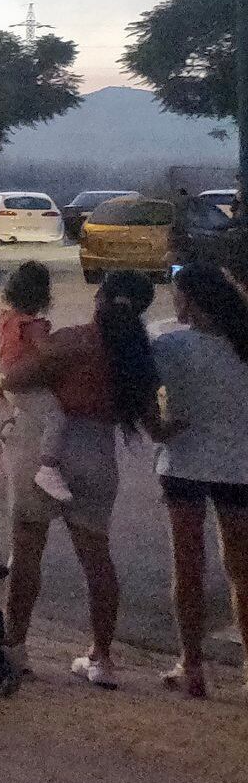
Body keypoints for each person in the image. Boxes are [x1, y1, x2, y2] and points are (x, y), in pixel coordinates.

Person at [0, 270, 166, 687]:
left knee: (26, 554)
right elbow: (153, 423)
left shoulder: (73, 340)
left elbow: (18, 377)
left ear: (99, 297)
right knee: (96, 558)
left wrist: (0, 381)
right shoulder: (135, 355)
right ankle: (102, 657)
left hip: (46, 450)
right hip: (98, 452)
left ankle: (14, 647)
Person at [149, 261, 248, 700]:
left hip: (184, 463)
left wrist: (159, 430)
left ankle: (191, 665)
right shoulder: (242, 344)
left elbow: (139, 391)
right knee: (241, 572)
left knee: (187, 568)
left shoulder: (169, 343)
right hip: (239, 466)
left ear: (189, 299)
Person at [0, 260, 73, 503]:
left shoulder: (6, 320)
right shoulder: (33, 326)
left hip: (7, 377)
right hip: (25, 382)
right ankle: (48, 467)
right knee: (55, 417)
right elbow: (46, 351)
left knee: (26, 411)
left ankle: (11, 427)